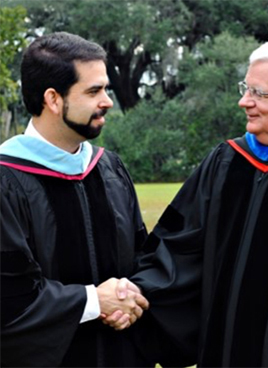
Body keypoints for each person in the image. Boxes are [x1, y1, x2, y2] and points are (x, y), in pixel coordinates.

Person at [107, 36, 268, 367]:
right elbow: (179, 248)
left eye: (258, 93)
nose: (244, 102)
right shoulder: (226, 161)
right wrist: (135, 296)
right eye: (245, 88)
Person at [0, 32, 152, 368]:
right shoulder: (5, 181)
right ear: (53, 99)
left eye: (106, 89)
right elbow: (8, 298)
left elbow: (143, 257)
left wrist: (129, 297)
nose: (108, 101)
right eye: (94, 91)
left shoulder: (109, 168)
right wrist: (94, 302)